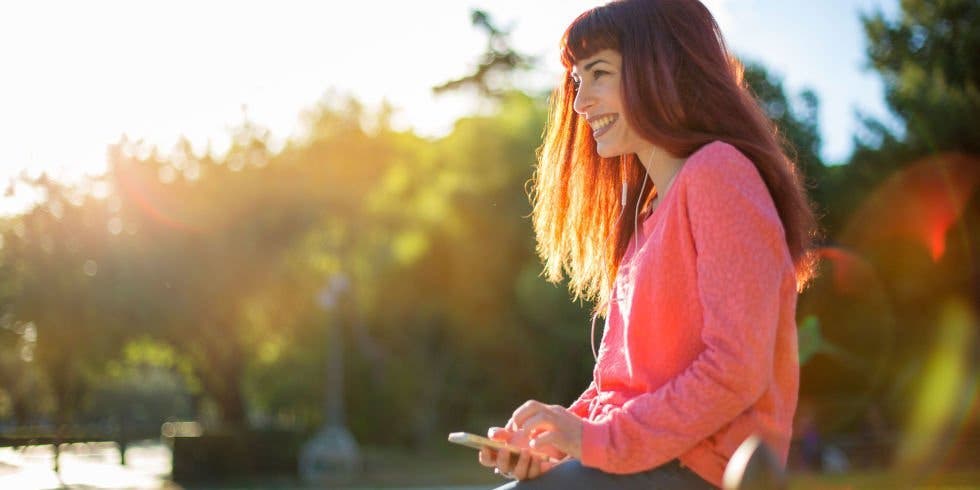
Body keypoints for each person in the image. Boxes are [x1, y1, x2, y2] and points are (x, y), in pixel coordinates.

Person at [476, 0, 819, 488]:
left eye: (598, 74)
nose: (580, 102)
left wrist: (597, 443)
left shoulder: (719, 173)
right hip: (645, 467)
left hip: (697, 473)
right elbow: (621, 391)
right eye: (577, 81)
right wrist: (553, 443)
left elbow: (735, 370)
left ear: (660, 69)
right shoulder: (644, 217)